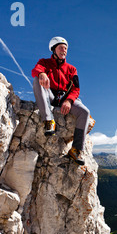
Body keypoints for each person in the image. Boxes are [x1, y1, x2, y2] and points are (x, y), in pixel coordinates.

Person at [32, 36, 90, 165]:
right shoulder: (44, 62)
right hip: (50, 95)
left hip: (65, 98)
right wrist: (42, 74)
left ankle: (76, 150)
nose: (64, 51)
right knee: (36, 79)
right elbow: (36, 69)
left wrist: (69, 100)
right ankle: (48, 120)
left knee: (85, 112)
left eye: (65, 49)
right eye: (61, 48)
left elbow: (76, 88)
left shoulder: (72, 69)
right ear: (53, 49)